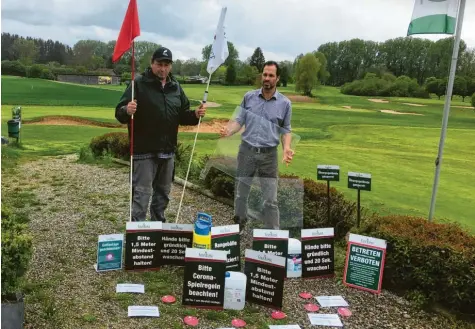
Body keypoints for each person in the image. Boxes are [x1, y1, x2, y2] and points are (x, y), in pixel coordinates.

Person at [115, 46, 206, 222]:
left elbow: (182, 114)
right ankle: (138, 234)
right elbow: (119, 113)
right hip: (143, 151)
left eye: (166, 64)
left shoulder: (176, 87)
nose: (163, 68)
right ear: (152, 63)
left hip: (167, 150)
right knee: (141, 194)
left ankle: (158, 229)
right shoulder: (138, 84)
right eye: (159, 64)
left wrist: (194, 115)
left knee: (163, 194)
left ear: (170, 66)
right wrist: (127, 109)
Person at [220, 60, 294, 230]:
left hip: (269, 156)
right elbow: (239, 120)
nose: (267, 78)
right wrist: (229, 131)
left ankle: (273, 235)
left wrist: (287, 148)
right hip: (247, 152)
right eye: (265, 74)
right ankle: (239, 225)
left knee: (271, 200)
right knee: (240, 194)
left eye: (271, 75)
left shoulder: (285, 104)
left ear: (277, 78)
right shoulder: (249, 97)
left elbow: (286, 130)